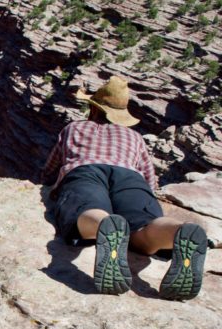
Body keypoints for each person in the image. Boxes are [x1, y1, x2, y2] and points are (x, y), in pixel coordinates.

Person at [42, 76, 207, 300]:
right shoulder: (134, 137)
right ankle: (179, 231)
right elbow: (149, 181)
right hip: (130, 177)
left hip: (86, 171)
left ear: (93, 108)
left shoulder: (74, 128)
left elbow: (51, 167)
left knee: (86, 208)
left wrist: (49, 184)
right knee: (144, 226)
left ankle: (104, 224)